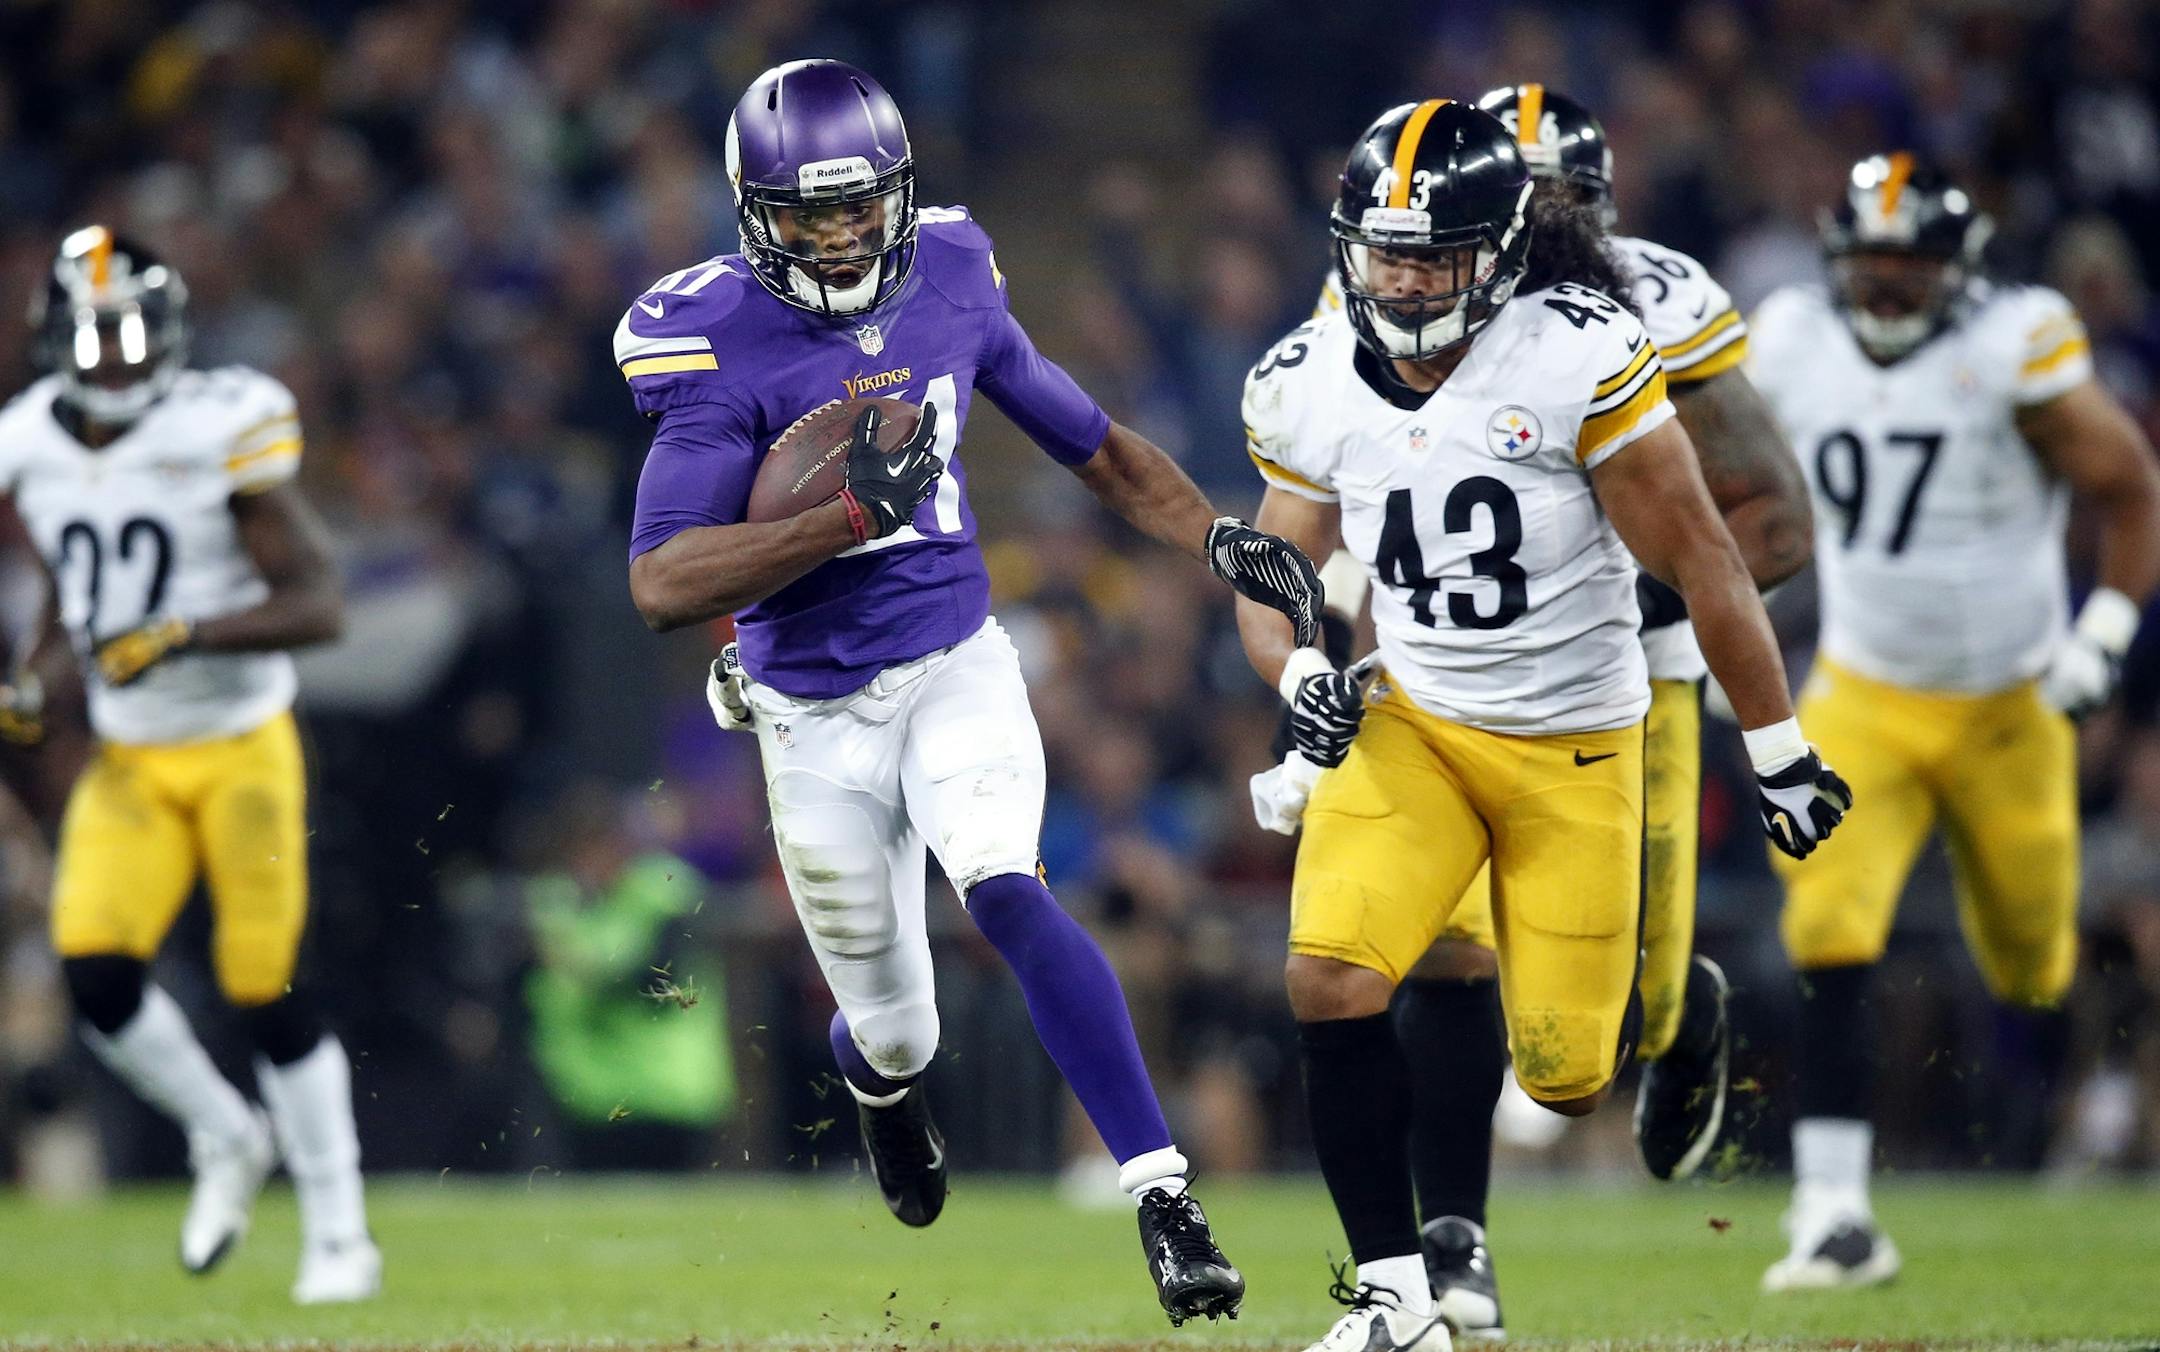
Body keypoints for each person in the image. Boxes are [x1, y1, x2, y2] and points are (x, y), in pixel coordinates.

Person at [615, 59, 1322, 1326]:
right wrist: (842, 518)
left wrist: (1219, 540)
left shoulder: (949, 270)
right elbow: (663, 581)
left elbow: (1094, 445)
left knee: (1005, 882)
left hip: (954, 659)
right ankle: (884, 1090)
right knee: (896, 1031)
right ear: (755, 217)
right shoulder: (713, 336)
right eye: (812, 218)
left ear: (899, 194)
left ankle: (1163, 1194)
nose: (844, 239)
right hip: (810, 708)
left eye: (860, 207)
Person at [1234, 100, 1851, 1352]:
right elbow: (1275, 568)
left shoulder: (1576, 351)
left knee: (1568, 1073)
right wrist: (1298, 670)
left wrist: (1779, 748)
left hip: (1575, 737)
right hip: (1415, 720)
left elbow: (1709, 555)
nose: (1407, 281)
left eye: (1436, 255)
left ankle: (1663, 1007)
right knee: (1330, 970)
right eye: (1386, 252)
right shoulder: (1309, 372)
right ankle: (1397, 1298)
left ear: (1502, 251)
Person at [1748, 154, 2160, 1291]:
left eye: (1910, 263)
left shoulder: (2014, 343)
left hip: (2010, 702)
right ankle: (1832, 1210)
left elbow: (2130, 483)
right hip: (1865, 688)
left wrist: (2104, 630)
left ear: (1959, 268)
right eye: (1869, 261)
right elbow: (1712, 475)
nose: (1886, 284)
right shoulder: (1790, 340)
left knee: (2031, 957)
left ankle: (2080, 1118)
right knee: (1827, 918)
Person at [0, 227, 378, 1302]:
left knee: (265, 984)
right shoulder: (27, 439)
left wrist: (184, 635)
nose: (116, 357)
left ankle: (340, 1230)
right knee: (96, 974)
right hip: (132, 755)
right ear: (55, 341)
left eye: (131, 333)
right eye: (95, 336)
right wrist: (33, 678)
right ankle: (225, 1131)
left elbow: (322, 602)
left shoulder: (221, 423)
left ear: (167, 333)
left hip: (240, 742)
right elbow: (72, 593)